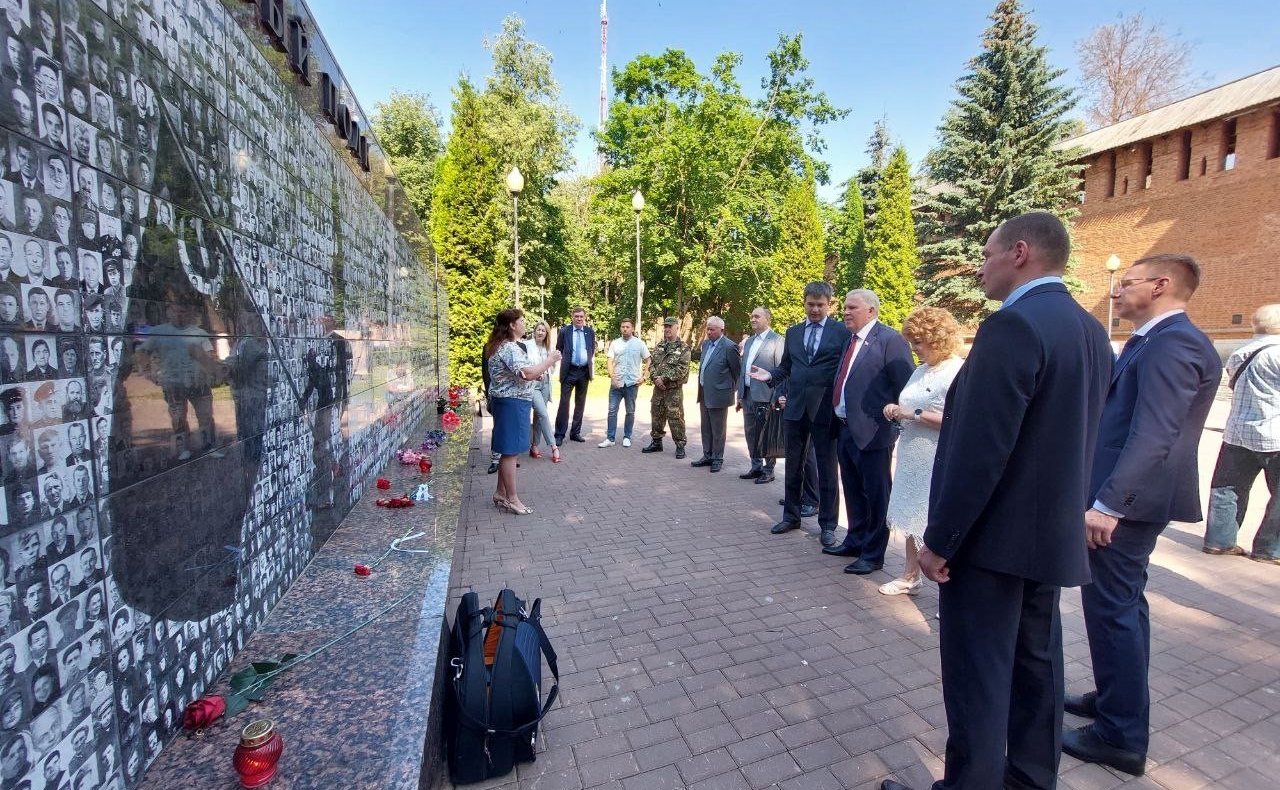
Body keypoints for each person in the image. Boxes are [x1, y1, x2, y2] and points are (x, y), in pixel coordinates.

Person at [882, 212, 1112, 790]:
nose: (978, 266)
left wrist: (940, 541)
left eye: (987, 254)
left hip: (990, 542)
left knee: (977, 676)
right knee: (1036, 669)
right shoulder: (1088, 328)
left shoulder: (1013, 327)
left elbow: (980, 449)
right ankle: (1031, 780)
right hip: (1047, 537)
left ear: (1020, 253)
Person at [1062, 254, 1221, 777]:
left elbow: (1156, 434)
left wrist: (1110, 504)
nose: (1115, 291)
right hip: (1129, 501)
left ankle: (1120, 734)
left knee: (1113, 612)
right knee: (1123, 608)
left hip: (1127, 507)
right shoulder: (1155, 340)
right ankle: (1115, 702)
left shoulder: (1174, 344)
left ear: (1161, 285)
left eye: (1125, 282)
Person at [748, 282, 852, 547]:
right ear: (804, 303)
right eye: (810, 304)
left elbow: (846, 369)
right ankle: (791, 516)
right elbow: (786, 367)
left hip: (825, 411)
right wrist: (770, 376)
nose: (815, 309)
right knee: (793, 466)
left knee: (827, 470)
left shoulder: (841, 332)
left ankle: (827, 525)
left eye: (820, 305)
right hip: (795, 409)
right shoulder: (793, 332)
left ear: (830, 304)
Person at [821, 290, 914, 574]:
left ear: (871, 311)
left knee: (876, 495)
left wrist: (893, 425)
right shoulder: (850, 341)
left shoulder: (890, 340)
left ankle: (873, 554)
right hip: (846, 429)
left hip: (875, 433)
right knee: (852, 490)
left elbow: (906, 388)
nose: (845, 312)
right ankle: (855, 539)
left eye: (852, 308)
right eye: (845, 308)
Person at [875, 308, 965, 595]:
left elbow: (957, 420)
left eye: (919, 342)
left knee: (935, 516)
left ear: (937, 340)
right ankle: (910, 575)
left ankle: (948, 588)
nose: (914, 349)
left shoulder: (956, 370)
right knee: (912, 511)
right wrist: (895, 410)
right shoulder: (921, 369)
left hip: (937, 454)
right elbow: (908, 403)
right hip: (912, 451)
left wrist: (911, 414)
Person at [1202, 303, 1280, 563]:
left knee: (1227, 488)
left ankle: (1220, 541)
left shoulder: (1241, 351)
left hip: (1237, 431)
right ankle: (1269, 548)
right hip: (1274, 435)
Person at [486, 308, 560, 514]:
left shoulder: (501, 346)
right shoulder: (509, 347)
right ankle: (512, 499)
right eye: (522, 321)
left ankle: (501, 492)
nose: (525, 324)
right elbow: (526, 372)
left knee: (507, 450)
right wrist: (550, 361)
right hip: (512, 403)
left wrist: (534, 374)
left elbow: (519, 373)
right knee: (510, 452)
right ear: (512, 325)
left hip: (509, 402)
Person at [738, 307, 784, 482]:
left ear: (768, 319)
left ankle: (768, 469)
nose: (753, 319)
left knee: (766, 433)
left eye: (757, 316)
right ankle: (755, 467)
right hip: (748, 394)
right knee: (750, 432)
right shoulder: (749, 341)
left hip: (766, 396)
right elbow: (743, 369)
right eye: (752, 316)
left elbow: (782, 371)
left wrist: (776, 397)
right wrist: (740, 393)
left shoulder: (778, 341)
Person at [691, 316, 740, 471]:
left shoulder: (729, 346)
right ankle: (707, 455)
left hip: (720, 395)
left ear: (722, 330)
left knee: (718, 429)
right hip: (704, 392)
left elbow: (737, 372)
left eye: (712, 329)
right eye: (708, 328)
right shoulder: (705, 344)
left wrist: (733, 392)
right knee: (705, 427)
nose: (709, 332)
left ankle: (717, 458)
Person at [643, 317, 690, 458]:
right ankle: (656, 442)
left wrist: (663, 378)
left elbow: (682, 369)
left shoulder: (683, 348)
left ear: (677, 328)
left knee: (675, 417)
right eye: (666, 326)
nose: (667, 329)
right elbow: (652, 365)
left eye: (670, 326)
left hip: (673, 390)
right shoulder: (659, 346)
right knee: (656, 414)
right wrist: (656, 378)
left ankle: (680, 445)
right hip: (658, 389)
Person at [599, 319, 650, 448]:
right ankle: (610, 438)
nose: (625, 329)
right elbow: (610, 361)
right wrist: (612, 376)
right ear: (620, 328)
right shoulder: (615, 343)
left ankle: (627, 436)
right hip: (616, 383)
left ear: (632, 328)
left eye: (628, 327)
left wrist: (644, 377)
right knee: (612, 411)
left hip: (632, 384)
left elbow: (649, 360)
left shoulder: (639, 344)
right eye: (623, 327)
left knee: (630, 411)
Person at [553, 307, 595, 445]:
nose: (579, 318)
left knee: (580, 404)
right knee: (564, 403)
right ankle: (559, 434)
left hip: (584, 372)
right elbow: (558, 348)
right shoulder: (565, 331)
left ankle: (575, 432)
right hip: (568, 371)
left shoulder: (590, 332)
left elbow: (591, 350)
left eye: (581, 316)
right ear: (572, 317)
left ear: (585, 317)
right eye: (576, 316)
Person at [524, 321, 559, 463]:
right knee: (544, 414)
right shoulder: (527, 345)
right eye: (538, 329)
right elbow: (525, 365)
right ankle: (554, 446)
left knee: (538, 416)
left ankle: (534, 446)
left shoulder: (548, 347)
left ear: (546, 334)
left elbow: (552, 367)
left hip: (545, 384)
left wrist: (551, 368)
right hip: (532, 384)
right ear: (534, 331)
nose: (540, 332)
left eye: (543, 331)